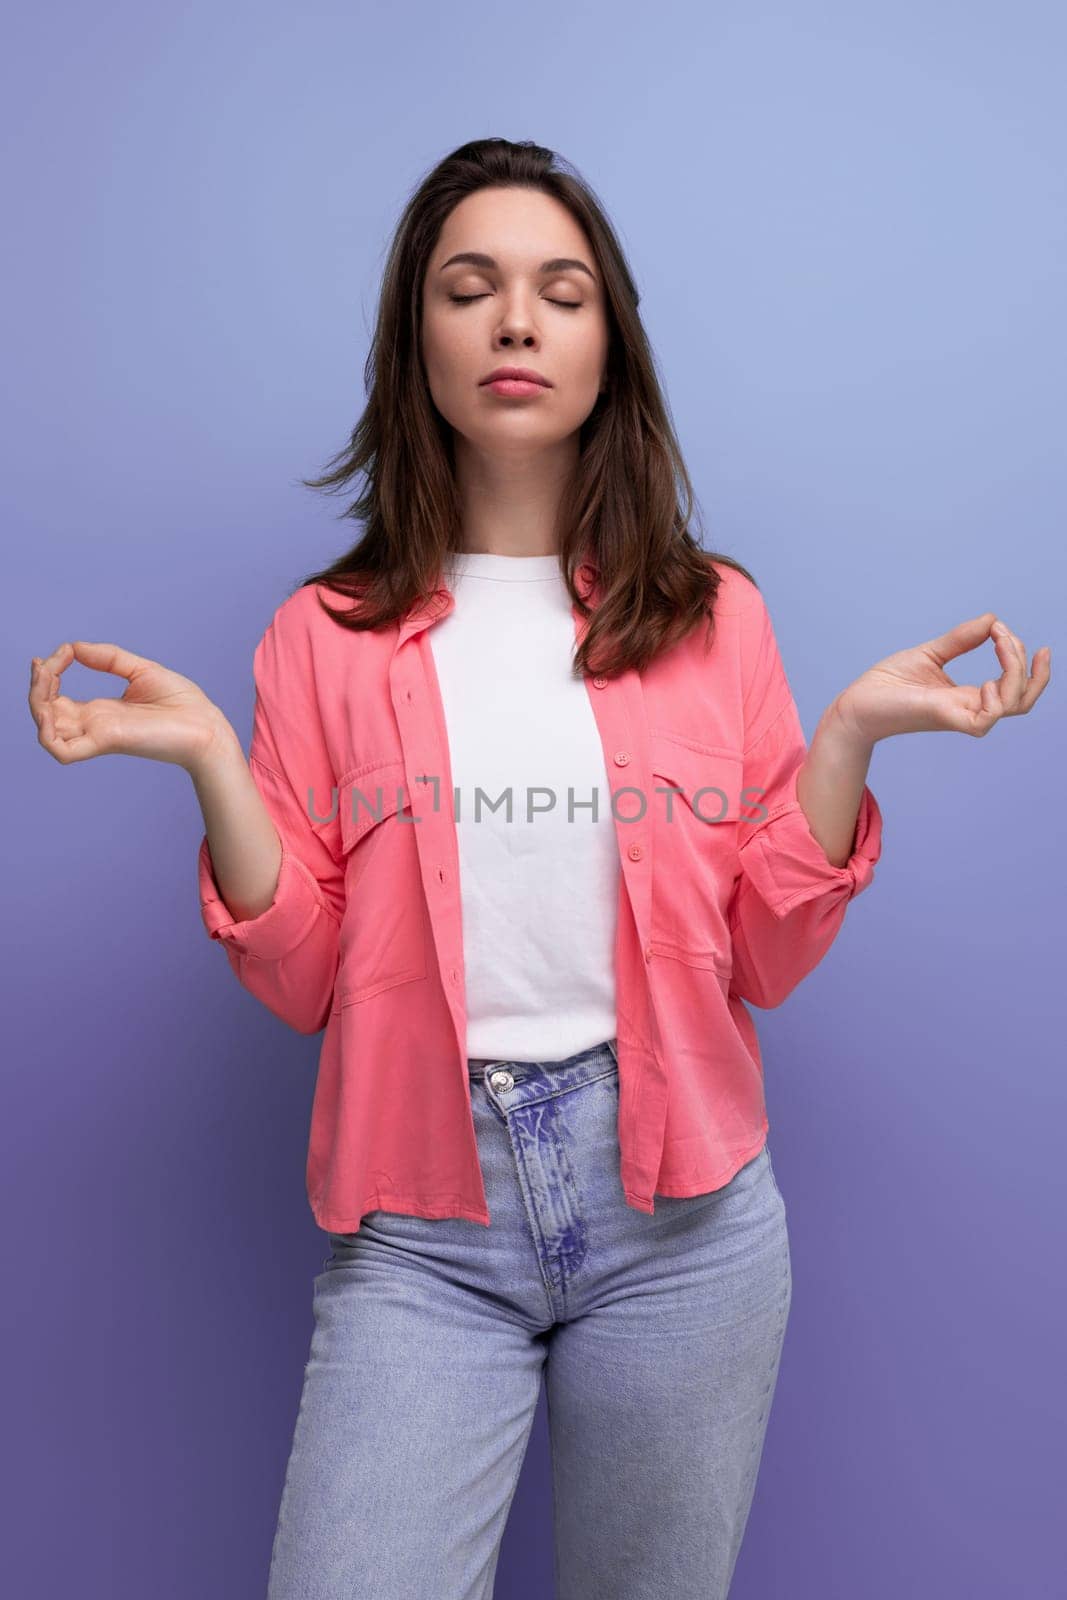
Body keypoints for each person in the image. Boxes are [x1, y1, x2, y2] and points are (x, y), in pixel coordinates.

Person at [27, 138, 1051, 1600]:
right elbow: (309, 978)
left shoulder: (715, 618)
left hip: (684, 1224)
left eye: (560, 292)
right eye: (472, 287)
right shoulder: (317, 639)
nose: (516, 321)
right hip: (423, 1229)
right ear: (418, 340)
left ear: (606, 343)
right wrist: (208, 761)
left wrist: (849, 740)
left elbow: (761, 958)